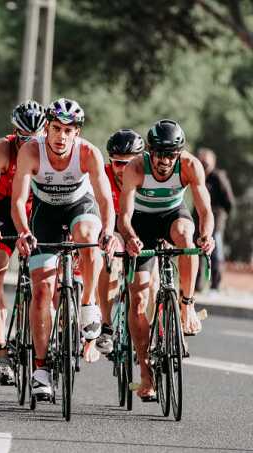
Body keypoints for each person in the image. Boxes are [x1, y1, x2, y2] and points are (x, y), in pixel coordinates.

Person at [11, 97, 118, 399]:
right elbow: (19, 201)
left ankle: (88, 305)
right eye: (56, 129)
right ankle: (41, 368)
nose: (61, 137)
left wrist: (109, 231)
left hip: (79, 207)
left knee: (88, 234)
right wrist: (23, 232)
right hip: (44, 213)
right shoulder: (31, 151)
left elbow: (105, 199)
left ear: (77, 133)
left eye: (68, 131)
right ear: (46, 128)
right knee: (42, 290)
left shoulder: (88, 153)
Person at [118, 119, 215, 401]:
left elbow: (204, 209)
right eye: (159, 153)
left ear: (178, 154)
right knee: (137, 300)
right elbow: (124, 216)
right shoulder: (135, 167)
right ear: (150, 152)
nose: (164, 161)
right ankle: (146, 376)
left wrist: (206, 235)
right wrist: (131, 237)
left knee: (187, 236)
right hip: (142, 224)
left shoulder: (190, 166)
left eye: (170, 155)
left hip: (173, 216)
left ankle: (186, 305)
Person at [0, 100, 45, 385]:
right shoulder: (2, 150)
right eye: (23, 137)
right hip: (4, 207)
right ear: (14, 132)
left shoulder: (49, 152)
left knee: (48, 273)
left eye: (35, 138)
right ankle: (1, 351)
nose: (29, 143)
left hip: (36, 207)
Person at [95, 129, 144, 355]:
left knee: (151, 276)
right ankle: (107, 326)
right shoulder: (102, 176)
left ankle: (155, 326)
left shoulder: (147, 175)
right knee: (110, 261)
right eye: (117, 163)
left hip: (141, 228)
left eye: (129, 163)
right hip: (113, 227)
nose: (123, 170)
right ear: (110, 162)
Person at [194, 148, 234, 293]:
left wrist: (221, 216)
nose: (203, 165)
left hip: (216, 221)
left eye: (205, 162)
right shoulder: (197, 176)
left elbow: (229, 201)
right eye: (201, 161)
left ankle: (215, 286)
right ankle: (196, 285)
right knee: (196, 252)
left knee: (215, 253)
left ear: (213, 162)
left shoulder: (218, 177)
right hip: (197, 221)